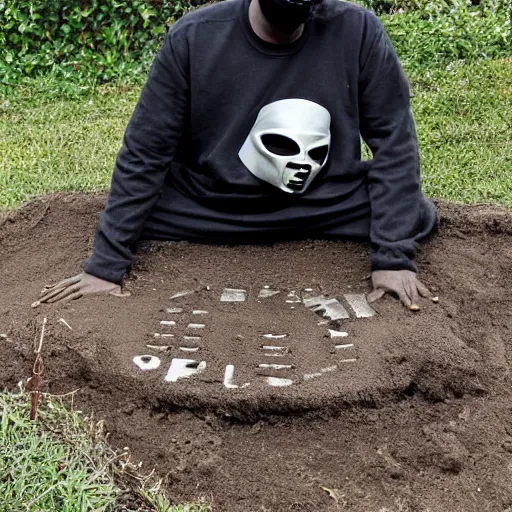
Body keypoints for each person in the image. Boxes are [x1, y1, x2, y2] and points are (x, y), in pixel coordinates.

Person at [34, 0, 439, 311]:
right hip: (210, 203)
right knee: (140, 205)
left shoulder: (358, 31)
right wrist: (105, 266)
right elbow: (146, 152)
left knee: (414, 213)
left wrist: (392, 259)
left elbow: (394, 142)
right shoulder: (194, 37)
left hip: (322, 201)